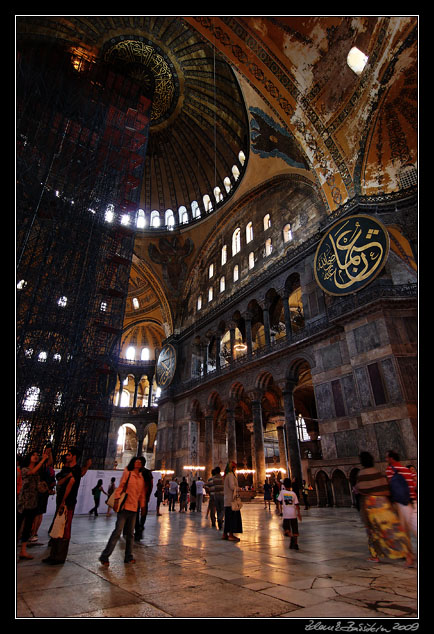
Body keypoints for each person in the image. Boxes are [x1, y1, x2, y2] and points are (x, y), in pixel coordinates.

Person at [356, 451, 413, 566]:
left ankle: (375, 555)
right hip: (385, 505)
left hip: (371, 507)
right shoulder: (378, 472)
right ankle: (407, 554)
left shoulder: (362, 473)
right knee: (394, 530)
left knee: (373, 532)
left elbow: (361, 489)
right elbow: (386, 487)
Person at [43, 447, 92, 565]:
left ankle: (59, 557)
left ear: (74, 456)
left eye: (69, 454)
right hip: (61, 501)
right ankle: (53, 554)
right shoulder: (66, 468)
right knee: (57, 526)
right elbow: (59, 481)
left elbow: (70, 485)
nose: (67, 456)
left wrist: (63, 502)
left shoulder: (75, 470)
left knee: (65, 528)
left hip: (67, 502)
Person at [99, 457, 146, 567]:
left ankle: (129, 557)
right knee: (117, 532)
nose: (138, 463)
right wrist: (116, 500)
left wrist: (143, 506)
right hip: (125, 507)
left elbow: (141, 493)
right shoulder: (127, 472)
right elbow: (121, 487)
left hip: (134, 509)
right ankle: (104, 556)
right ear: (133, 463)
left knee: (130, 534)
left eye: (140, 462)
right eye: (136, 461)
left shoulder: (141, 477)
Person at [17, 448, 52, 560]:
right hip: (23, 501)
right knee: (18, 526)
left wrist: (48, 454)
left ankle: (23, 550)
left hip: (33, 501)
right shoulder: (24, 469)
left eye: (37, 455)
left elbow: (49, 463)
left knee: (27, 527)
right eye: (34, 455)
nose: (36, 456)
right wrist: (42, 460)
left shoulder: (38, 470)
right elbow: (30, 473)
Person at [385, 450, 417, 543]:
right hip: (412, 500)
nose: (386, 459)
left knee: (408, 527)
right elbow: (414, 481)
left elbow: (391, 486)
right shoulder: (406, 469)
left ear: (391, 459)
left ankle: (407, 552)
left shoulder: (390, 469)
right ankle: (407, 553)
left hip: (401, 502)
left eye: (387, 457)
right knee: (406, 527)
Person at [29, 445, 56, 543]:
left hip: (41, 491)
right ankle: (32, 532)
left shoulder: (45, 466)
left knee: (37, 513)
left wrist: (48, 454)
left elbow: (49, 462)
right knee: (37, 513)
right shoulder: (43, 465)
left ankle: (34, 533)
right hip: (40, 491)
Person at [278, 478, 302, 550]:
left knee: (286, 528)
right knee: (295, 529)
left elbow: (278, 500)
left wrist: (280, 510)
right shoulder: (293, 493)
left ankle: (291, 537)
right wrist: (299, 514)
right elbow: (297, 505)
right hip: (293, 514)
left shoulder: (282, 492)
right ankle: (296, 544)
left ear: (284, 485)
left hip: (286, 514)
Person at [222, 462, 242, 542]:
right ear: (232, 467)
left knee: (228, 517)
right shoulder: (230, 475)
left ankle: (225, 534)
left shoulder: (227, 475)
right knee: (232, 518)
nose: (236, 469)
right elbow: (232, 486)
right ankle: (231, 535)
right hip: (231, 500)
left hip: (227, 500)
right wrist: (238, 488)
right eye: (235, 467)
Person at [134, 458, 153, 541]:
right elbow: (151, 485)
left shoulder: (137, 472)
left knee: (136, 513)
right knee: (142, 513)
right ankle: (140, 527)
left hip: (139, 496)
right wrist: (148, 495)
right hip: (142, 496)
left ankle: (138, 528)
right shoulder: (147, 472)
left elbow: (150, 484)